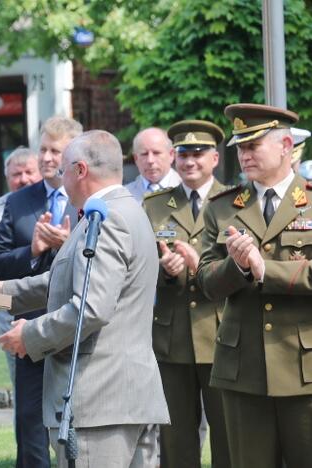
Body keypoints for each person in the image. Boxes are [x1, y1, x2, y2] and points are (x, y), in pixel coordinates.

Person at [0, 130, 170, 468]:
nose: (59, 179)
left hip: (99, 402)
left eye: (63, 170)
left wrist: (30, 335)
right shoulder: (120, 210)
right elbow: (64, 279)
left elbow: (90, 309)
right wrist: (0, 292)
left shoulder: (108, 219)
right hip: (121, 399)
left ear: (80, 170)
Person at [197, 103, 312, 468]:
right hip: (243, 370)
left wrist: (265, 271)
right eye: (240, 147)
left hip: (304, 369)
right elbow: (206, 283)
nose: (244, 154)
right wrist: (239, 268)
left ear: (285, 145)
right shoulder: (222, 207)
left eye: (253, 145)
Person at [0, 115, 82, 468]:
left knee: (75, 424)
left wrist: (68, 243)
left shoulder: (86, 199)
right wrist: (33, 249)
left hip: (75, 327)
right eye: (42, 148)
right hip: (28, 328)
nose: (44, 157)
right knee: (30, 423)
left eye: (54, 150)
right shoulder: (19, 201)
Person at [142, 120, 230, 468]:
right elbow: (140, 267)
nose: (190, 161)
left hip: (223, 337)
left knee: (229, 438)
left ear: (214, 158)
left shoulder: (234, 202)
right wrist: (164, 272)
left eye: (198, 154)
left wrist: (199, 267)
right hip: (171, 338)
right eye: (183, 154)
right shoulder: (154, 205)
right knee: (175, 442)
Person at [0, 146, 41, 382]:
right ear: (7, 178)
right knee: (22, 385)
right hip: (11, 308)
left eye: (29, 172)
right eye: (16, 174)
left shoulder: (50, 202)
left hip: (51, 306)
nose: (23, 179)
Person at [125, 127, 181, 202]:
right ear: (136, 158)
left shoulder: (188, 190)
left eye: (156, 153)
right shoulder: (125, 195)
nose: (150, 160)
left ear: (171, 155)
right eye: (144, 154)